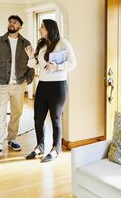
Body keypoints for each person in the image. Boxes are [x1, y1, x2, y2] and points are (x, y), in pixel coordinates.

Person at [25, 19, 76, 162]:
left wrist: (57, 67)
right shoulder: (41, 44)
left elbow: (73, 63)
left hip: (58, 86)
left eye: (42, 27)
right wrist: (30, 55)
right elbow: (34, 65)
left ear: (50, 29)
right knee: (38, 118)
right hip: (42, 85)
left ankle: (55, 149)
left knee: (55, 119)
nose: (39, 29)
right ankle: (40, 147)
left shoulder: (63, 43)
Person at [0, 15, 35, 161]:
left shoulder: (26, 43)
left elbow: (31, 61)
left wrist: (29, 79)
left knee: (16, 113)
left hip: (19, 84)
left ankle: (12, 138)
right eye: (10, 22)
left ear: (20, 26)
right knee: (0, 114)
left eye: (15, 22)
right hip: (0, 83)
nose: (11, 24)